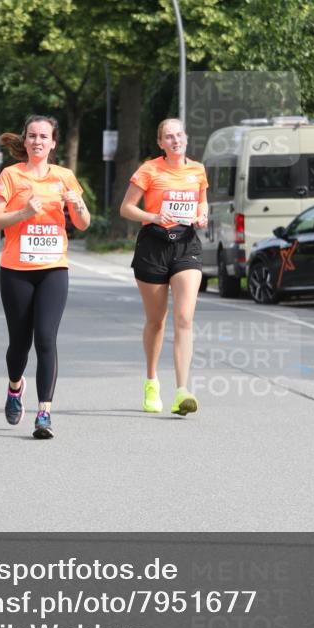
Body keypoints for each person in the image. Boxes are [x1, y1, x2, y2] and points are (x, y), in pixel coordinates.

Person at [0, 115, 90, 439]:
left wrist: (76, 206)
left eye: (43, 136)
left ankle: (44, 413)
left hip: (53, 268)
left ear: (53, 142)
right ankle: (15, 387)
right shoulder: (10, 175)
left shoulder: (65, 177)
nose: (37, 141)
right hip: (16, 269)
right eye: (32, 136)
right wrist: (23, 213)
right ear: (25, 140)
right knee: (20, 343)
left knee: (46, 339)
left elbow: (84, 223)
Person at [120, 118, 208, 417]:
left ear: (186, 138)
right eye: (168, 137)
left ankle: (182, 390)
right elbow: (126, 208)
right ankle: (151, 380)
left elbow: (203, 203)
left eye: (179, 134)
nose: (175, 140)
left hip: (186, 245)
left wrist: (202, 215)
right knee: (157, 320)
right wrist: (154, 216)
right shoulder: (149, 170)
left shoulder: (197, 170)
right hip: (153, 246)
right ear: (160, 143)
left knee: (185, 317)